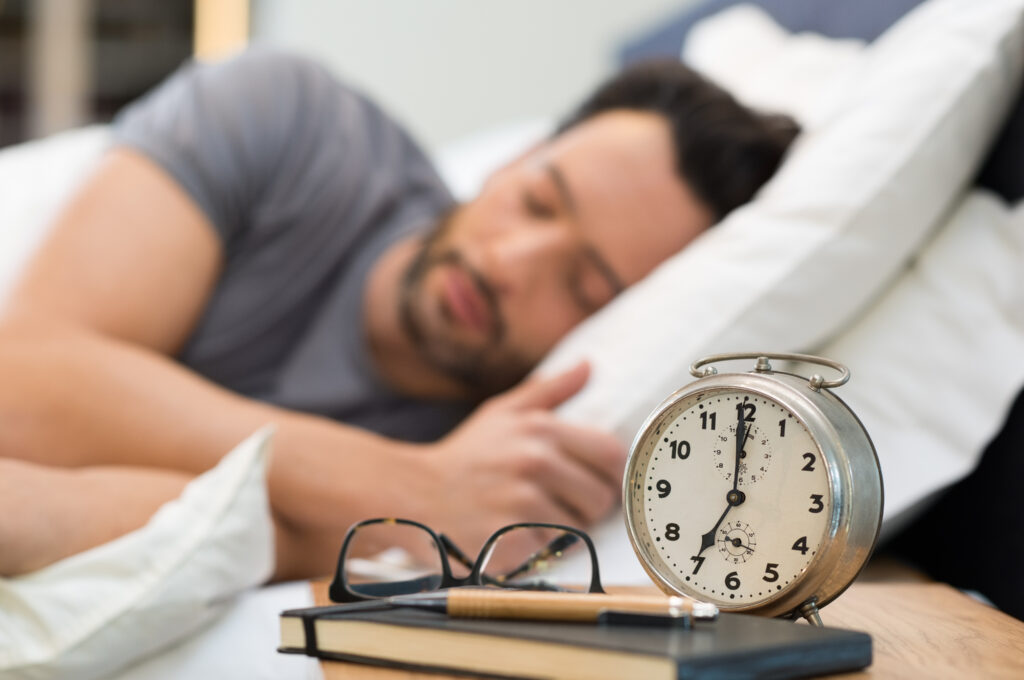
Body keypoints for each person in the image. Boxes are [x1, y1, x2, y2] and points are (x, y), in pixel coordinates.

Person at [0, 50, 797, 581]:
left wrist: (360, 523)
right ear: (512, 160)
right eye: (536, 199)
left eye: (582, 288)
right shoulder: (289, 118)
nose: (508, 264)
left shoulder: (503, 457)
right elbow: (23, 381)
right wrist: (404, 489)